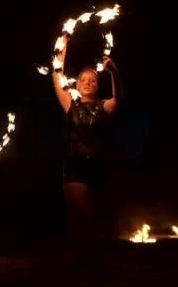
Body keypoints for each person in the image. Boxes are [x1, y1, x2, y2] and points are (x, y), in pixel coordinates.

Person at [52, 35, 123, 259]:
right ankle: (80, 258)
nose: (88, 82)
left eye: (92, 80)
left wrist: (114, 71)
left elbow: (119, 98)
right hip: (75, 164)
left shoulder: (105, 106)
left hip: (99, 165)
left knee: (94, 216)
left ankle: (92, 258)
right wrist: (62, 47)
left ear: (97, 85)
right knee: (78, 213)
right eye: (83, 79)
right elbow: (56, 74)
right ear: (77, 83)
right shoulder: (70, 104)